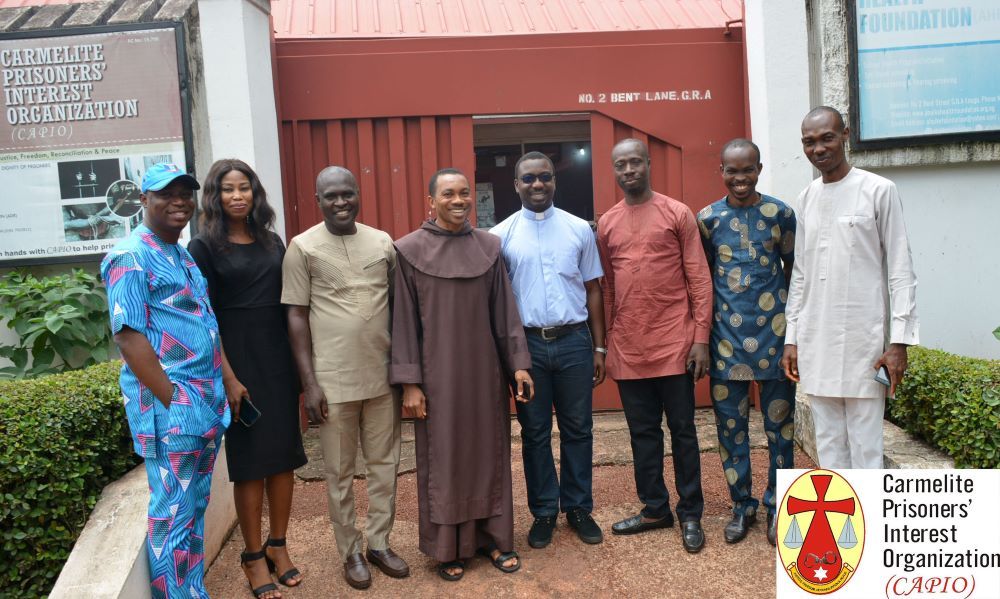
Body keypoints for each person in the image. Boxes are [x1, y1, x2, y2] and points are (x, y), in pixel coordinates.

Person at [390, 168, 534, 581]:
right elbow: (402, 322)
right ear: (430, 202)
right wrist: (410, 384)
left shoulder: (489, 247)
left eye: (464, 193)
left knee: (488, 456)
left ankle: (494, 540)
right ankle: (448, 547)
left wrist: (519, 365)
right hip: (436, 380)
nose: (458, 200)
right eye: (448, 194)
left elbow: (505, 313)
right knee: (446, 461)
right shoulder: (408, 250)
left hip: (484, 375)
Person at [101, 163, 230, 596]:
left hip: (203, 403)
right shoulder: (130, 256)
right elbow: (128, 335)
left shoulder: (181, 253)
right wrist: (172, 399)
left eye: (185, 193)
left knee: (193, 509)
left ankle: (192, 590)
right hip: (174, 410)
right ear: (143, 201)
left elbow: (204, 322)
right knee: (173, 516)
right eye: (165, 194)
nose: (179, 201)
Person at [282, 166, 409, 590]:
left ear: (358, 195)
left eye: (347, 194)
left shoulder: (382, 242)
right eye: (331, 196)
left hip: (382, 375)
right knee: (337, 472)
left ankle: (379, 542)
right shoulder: (302, 248)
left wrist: (405, 371)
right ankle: (350, 550)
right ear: (319, 200)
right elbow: (296, 317)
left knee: (384, 465)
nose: (341, 202)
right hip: (332, 380)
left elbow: (400, 307)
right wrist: (310, 384)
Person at [188, 159, 307, 598]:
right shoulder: (203, 248)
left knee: (284, 457)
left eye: (245, 188)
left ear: (255, 194)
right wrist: (229, 378)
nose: (238, 196)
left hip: (277, 358)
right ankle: (253, 555)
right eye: (228, 189)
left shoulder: (272, 241)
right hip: (238, 361)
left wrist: (300, 370)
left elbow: (290, 305)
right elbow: (204, 319)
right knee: (251, 465)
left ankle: (279, 545)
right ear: (214, 197)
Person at [781, 106, 919, 469]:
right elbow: (800, 274)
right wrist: (792, 338)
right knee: (828, 447)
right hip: (817, 341)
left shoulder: (879, 190)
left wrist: (899, 343)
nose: (819, 148)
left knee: (867, 448)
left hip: (865, 343)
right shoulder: (807, 197)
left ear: (845, 135)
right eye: (809, 142)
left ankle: (870, 524)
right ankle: (844, 526)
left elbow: (902, 271)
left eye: (827, 137)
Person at [596, 139, 711, 553]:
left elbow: (699, 278)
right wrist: (607, 344)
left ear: (648, 165)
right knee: (642, 434)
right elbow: (608, 287)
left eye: (635, 162)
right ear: (615, 170)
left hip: (676, 343)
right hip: (630, 347)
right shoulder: (607, 223)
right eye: (621, 164)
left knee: (682, 432)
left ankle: (691, 512)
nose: (629, 170)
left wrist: (700, 339)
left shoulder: (677, 213)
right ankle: (655, 508)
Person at [490, 151, 606, 549]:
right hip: (528, 348)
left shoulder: (578, 229)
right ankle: (543, 511)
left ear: (555, 181)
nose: (537, 184)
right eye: (529, 179)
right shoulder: (499, 235)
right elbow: (497, 301)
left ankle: (577, 507)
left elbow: (593, 289)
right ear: (516, 184)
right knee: (535, 432)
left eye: (544, 177)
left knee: (578, 429)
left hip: (574, 342)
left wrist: (600, 347)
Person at [697, 139, 796, 547]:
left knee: (780, 430)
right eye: (732, 171)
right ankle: (743, 505)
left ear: (759, 169)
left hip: (774, 340)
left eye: (748, 170)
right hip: (725, 344)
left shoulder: (781, 214)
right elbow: (702, 279)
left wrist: (795, 329)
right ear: (721, 171)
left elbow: (795, 271)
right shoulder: (707, 219)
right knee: (731, 430)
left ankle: (779, 506)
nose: (740, 179)